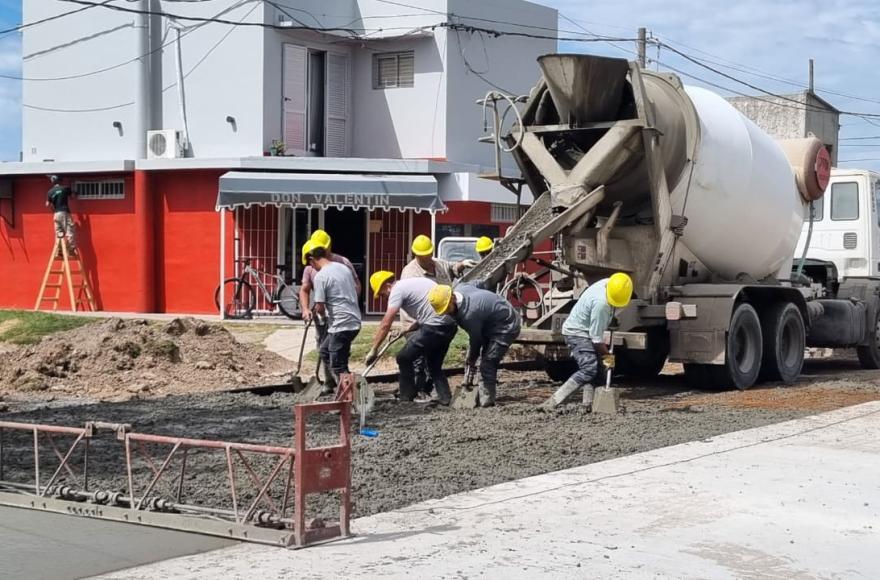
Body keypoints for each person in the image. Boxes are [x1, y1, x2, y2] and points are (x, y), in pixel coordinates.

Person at [540, 273, 633, 411]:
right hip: (577, 333)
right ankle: (552, 402)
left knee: (599, 370)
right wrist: (608, 356)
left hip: (587, 331)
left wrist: (612, 318)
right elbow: (596, 339)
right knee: (589, 369)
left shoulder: (610, 283)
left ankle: (589, 404)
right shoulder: (601, 304)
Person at [366, 271, 457, 405]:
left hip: (433, 327)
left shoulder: (397, 290)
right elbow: (427, 311)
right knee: (434, 365)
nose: (382, 297)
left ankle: (406, 398)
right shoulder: (414, 283)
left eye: (381, 293)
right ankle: (446, 399)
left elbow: (386, 322)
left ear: (387, 285)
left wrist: (374, 349)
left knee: (403, 357)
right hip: (449, 325)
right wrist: (406, 329)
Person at [401, 234, 474, 400]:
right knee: (417, 360)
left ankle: (428, 391)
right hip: (418, 323)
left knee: (433, 361)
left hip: (441, 321)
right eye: (423, 256)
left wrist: (462, 264)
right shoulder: (410, 273)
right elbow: (409, 302)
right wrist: (415, 325)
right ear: (416, 255)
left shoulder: (438, 264)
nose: (427, 258)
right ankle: (417, 392)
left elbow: (451, 268)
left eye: (429, 255)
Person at [428, 283, 521, 408]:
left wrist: (471, 360)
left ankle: (486, 402)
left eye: (446, 309)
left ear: (453, 298)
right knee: (483, 357)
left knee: (488, 363)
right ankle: (480, 395)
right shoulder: (461, 287)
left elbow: (476, 341)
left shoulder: (469, 314)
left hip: (507, 324)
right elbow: (480, 282)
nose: (445, 313)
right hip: (491, 321)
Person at [298, 230, 360, 391]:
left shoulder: (321, 276)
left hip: (341, 323)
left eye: (309, 263)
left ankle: (350, 397)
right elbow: (354, 287)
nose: (310, 266)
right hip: (351, 320)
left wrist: (320, 315)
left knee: (338, 364)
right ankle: (340, 386)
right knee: (325, 351)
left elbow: (319, 306)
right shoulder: (342, 267)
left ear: (312, 259)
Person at [45, 175, 76, 251]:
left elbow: (47, 204)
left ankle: (59, 250)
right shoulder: (65, 188)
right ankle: (70, 249)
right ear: (60, 181)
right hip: (64, 212)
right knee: (70, 230)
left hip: (56, 214)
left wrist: (53, 210)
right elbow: (72, 196)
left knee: (59, 233)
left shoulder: (50, 192)